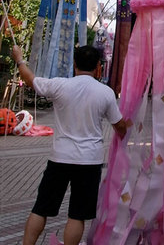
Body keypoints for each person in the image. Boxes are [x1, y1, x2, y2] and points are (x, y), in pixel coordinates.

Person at [11, 44, 127, 245]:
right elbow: (120, 126)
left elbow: (30, 80)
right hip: (89, 161)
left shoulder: (59, 85)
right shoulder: (105, 93)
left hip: (59, 158)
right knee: (77, 215)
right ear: (98, 67)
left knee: (41, 208)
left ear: (74, 64)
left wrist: (19, 59)